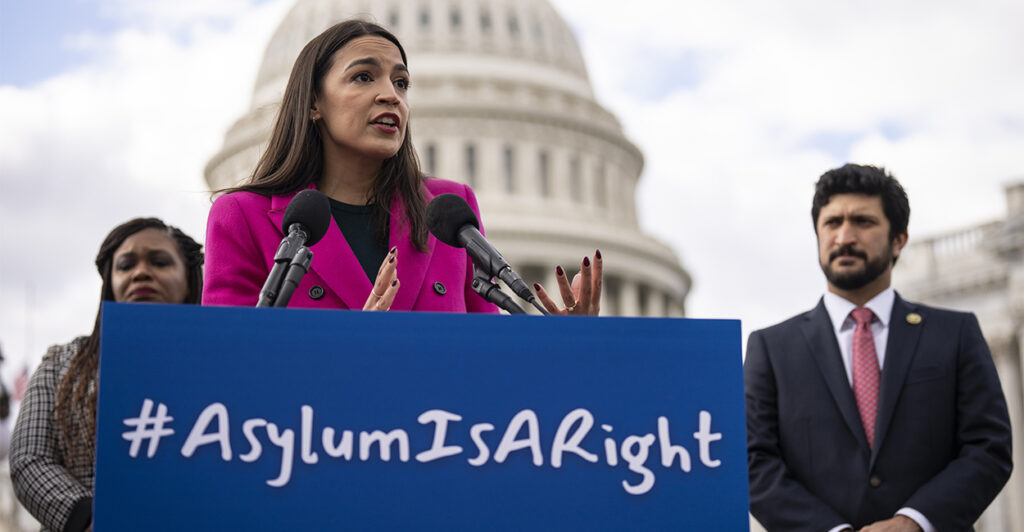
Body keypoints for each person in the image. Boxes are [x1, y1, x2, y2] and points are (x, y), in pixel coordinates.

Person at [202, 19, 600, 314]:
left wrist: (565, 345)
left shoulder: (448, 211)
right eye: (363, 77)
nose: (390, 96)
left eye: (402, 83)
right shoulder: (244, 217)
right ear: (313, 103)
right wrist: (360, 345)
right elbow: (227, 363)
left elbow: (484, 360)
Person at [745, 164, 1012, 531]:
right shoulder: (771, 349)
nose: (844, 236)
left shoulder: (955, 334)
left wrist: (914, 521)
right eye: (832, 223)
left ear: (899, 239)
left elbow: (989, 447)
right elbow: (754, 464)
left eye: (863, 222)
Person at [9, 218, 204, 532]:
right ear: (110, 281)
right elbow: (29, 459)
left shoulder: (218, 364)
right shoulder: (60, 363)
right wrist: (92, 520)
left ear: (188, 279)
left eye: (159, 262)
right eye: (126, 265)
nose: (141, 272)